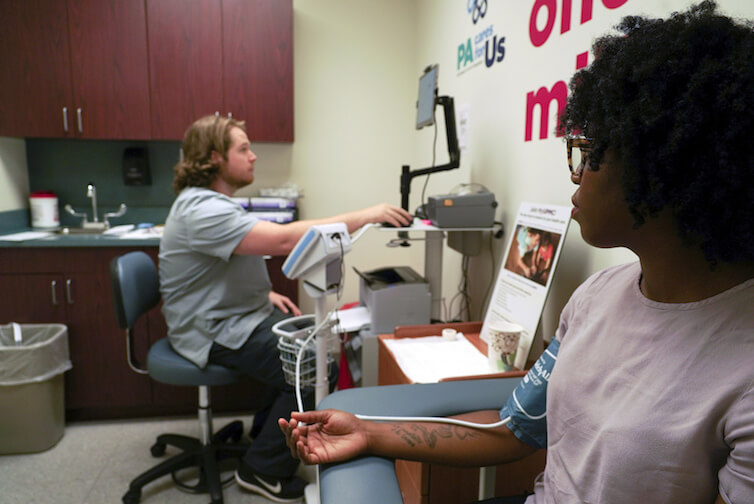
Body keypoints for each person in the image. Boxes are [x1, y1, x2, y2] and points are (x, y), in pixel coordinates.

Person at [279, 3, 754, 503]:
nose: (575, 174)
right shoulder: (596, 296)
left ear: (663, 170)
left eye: (589, 155)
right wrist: (371, 433)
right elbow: (513, 430)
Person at [159, 114, 411, 502]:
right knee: (314, 363)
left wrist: (263, 297)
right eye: (243, 148)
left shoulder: (211, 203)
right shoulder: (201, 210)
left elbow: (217, 271)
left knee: (303, 340)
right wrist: (365, 215)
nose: (254, 156)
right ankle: (261, 468)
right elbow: (279, 241)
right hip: (209, 331)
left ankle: (267, 438)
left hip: (234, 315)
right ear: (214, 158)